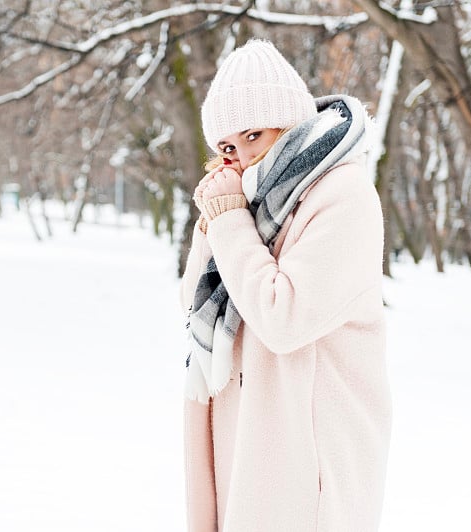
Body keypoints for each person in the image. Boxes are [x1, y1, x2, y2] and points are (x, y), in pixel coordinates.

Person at [180, 39, 392, 531]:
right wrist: (213, 222)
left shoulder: (343, 195)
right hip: (247, 436)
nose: (244, 156)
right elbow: (191, 303)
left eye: (254, 134)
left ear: (290, 121)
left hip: (309, 454)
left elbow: (283, 317)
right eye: (228, 147)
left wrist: (229, 219)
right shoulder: (248, 200)